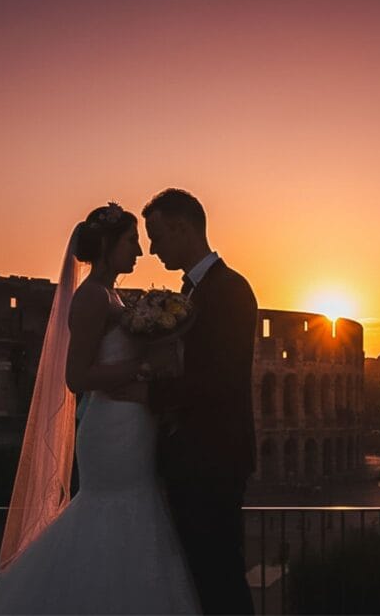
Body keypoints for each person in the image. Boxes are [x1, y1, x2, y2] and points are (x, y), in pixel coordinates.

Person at [0, 203, 198, 614]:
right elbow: (77, 376)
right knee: (112, 512)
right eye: (131, 241)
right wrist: (143, 368)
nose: (139, 251)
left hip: (131, 424)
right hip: (112, 429)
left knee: (134, 513)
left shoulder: (110, 296)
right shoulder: (92, 297)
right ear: (107, 245)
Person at [143, 189, 258, 615]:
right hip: (195, 460)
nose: (152, 249)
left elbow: (221, 379)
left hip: (214, 460)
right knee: (204, 579)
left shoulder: (229, 290)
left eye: (156, 236)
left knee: (220, 579)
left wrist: (149, 394)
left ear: (181, 228)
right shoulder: (195, 292)